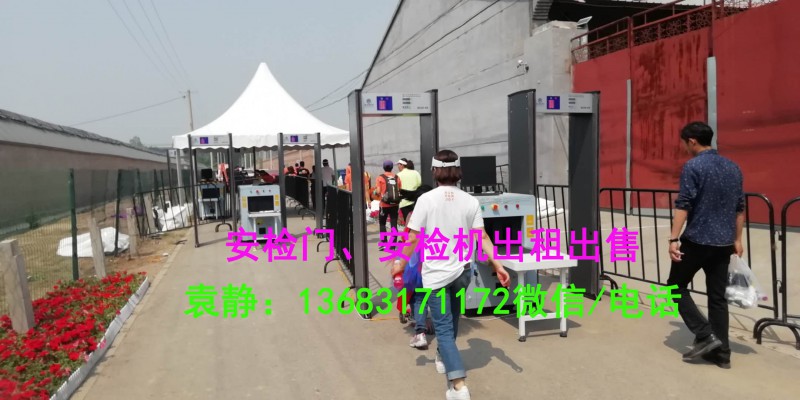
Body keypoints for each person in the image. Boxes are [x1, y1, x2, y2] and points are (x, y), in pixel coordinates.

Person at [391, 150, 510, 400]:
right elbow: (482, 237)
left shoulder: (426, 200)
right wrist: (498, 265)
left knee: (444, 330)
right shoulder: (470, 201)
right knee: (452, 319)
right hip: (462, 273)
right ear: (458, 171)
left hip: (436, 275)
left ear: (435, 171)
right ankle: (443, 356)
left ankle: (458, 385)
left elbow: (413, 238)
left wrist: (400, 263)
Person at [666, 121, 744, 369]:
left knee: (675, 286)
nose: (684, 148)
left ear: (692, 141)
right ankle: (722, 354)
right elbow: (739, 207)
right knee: (717, 298)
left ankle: (705, 334)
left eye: (684, 143)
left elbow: (684, 204)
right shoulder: (733, 167)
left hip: (697, 240)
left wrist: (673, 238)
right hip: (724, 243)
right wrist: (738, 239)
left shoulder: (693, 166)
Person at [373, 160, 401, 249]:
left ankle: (384, 243)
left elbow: (378, 191)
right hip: (395, 204)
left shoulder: (380, 178)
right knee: (393, 224)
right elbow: (399, 190)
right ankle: (393, 245)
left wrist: (375, 192)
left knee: (382, 223)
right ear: (392, 167)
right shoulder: (397, 177)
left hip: (384, 204)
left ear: (383, 167)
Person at [396, 158, 422, 225]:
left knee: (408, 222)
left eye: (398, 164)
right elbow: (419, 184)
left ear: (402, 165)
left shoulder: (398, 175)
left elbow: (397, 188)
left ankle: (409, 232)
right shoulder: (416, 173)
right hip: (415, 201)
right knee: (417, 222)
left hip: (404, 202)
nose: (397, 166)